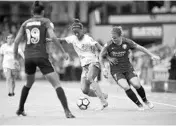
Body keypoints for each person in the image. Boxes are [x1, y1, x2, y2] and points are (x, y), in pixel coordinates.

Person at [13, 1, 75, 118]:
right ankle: (67, 111)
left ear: (32, 12)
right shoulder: (45, 21)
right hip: (41, 56)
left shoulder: (25, 23)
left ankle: (20, 108)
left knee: (28, 83)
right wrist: (63, 51)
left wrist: (15, 58)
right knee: (57, 84)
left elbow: (16, 42)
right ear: (43, 12)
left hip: (28, 58)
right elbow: (53, 37)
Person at [48, 19, 108, 110]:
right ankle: (103, 95)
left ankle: (103, 102)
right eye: (74, 32)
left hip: (93, 62)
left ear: (82, 30)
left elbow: (99, 46)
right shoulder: (72, 38)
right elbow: (60, 40)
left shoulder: (87, 38)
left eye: (77, 32)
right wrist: (48, 40)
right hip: (85, 67)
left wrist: (106, 55)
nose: (76, 34)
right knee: (85, 90)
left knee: (90, 78)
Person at [100, 26, 160, 110]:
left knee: (136, 84)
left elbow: (141, 48)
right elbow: (101, 55)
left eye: (115, 38)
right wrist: (104, 68)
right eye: (112, 38)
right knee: (126, 87)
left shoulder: (127, 42)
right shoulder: (109, 44)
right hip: (116, 70)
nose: (114, 40)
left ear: (120, 36)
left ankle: (146, 101)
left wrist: (151, 55)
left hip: (128, 68)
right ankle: (139, 105)